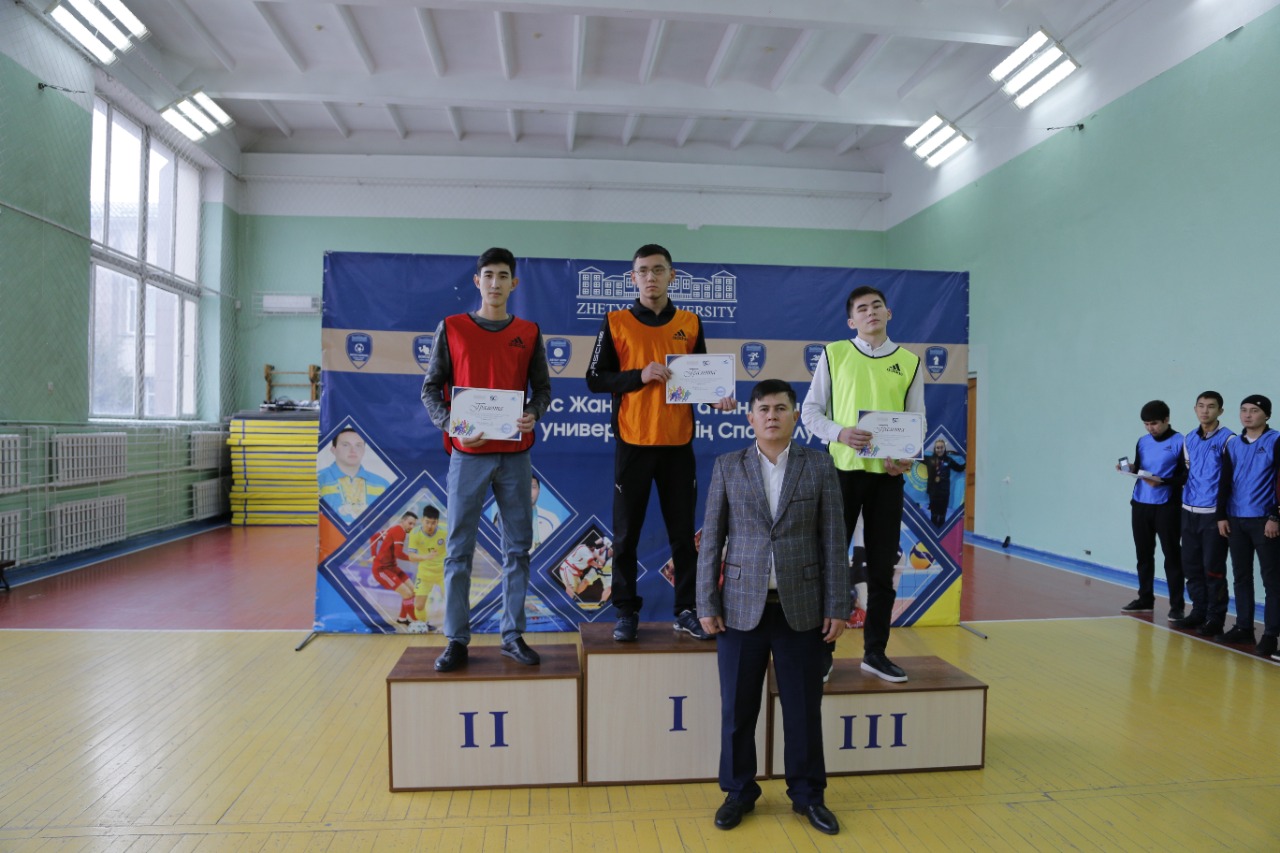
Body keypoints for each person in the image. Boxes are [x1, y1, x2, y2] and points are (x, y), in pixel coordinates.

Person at [697, 379, 847, 836]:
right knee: (738, 710)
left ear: (796, 415)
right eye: (763, 408)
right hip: (739, 610)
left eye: (781, 408)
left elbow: (833, 540)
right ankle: (738, 792)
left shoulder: (819, 466)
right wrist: (706, 601)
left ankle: (808, 795)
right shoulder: (728, 466)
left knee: (803, 711)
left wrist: (837, 604)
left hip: (801, 608)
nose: (772, 416)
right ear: (750, 417)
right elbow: (711, 540)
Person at [585, 243, 734, 643]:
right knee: (625, 536)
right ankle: (625, 611)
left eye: (658, 269)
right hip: (632, 442)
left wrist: (717, 398)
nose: (650, 277)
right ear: (633, 277)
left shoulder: (690, 322)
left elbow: (699, 379)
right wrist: (639, 375)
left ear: (672, 275)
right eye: (643, 271)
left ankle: (686, 609)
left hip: (677, 444)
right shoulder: (615, 321)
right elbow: (595, 378)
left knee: (683, 536)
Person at [421, 247, 552, 671]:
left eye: (503, 276)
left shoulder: (528, 332)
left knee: (518, 548)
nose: (495, 283)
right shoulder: (452, 328)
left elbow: (542, 390)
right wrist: (452, 425)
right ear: (477, 281)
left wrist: (533, 413)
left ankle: (512, 635)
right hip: (468, 454)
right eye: (488, 275)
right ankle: (456, 639)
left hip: (515, 455)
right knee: (458, 548)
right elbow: (430, 389)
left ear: (515, 283)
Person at [801, 285, 923, 683]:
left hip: (887, 478)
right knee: (831, 563)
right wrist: (840, 433)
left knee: (883, 567)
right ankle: (822, 652)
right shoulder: (835, 354)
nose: (870, 312)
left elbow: (915, 420)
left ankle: (875, 652)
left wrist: (904, 456)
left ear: (889, 313)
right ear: (851, 320)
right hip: (841, 473)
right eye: (861, 309)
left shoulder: (909, 362)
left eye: (877, 306)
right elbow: (810, 412)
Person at [1215, 395, 1280, 657]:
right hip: (1235, 520)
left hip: (1265, 521)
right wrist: (1221, 515)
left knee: (1272, 580)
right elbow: (1224, 482)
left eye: (1254, 410)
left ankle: (1271, 635)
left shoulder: (1275, 440)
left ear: (1267, 415)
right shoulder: (1233, 444)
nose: (1248, 415)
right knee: (1241, 576)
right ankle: (1244, 627)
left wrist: (1276, 516)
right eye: (1244, 410)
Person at [1172, 392, 1234, 636]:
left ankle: (1215, 618)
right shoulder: (1188, 438)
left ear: (1220, 411)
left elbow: (1231, 479)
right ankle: (1198, 611)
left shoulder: (1229, 439)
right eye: (1201, 406)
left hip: (1213, 514)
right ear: (1195, 409)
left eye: (1211, 406)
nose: (1205, 411)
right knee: (1191, 566)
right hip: (1188, 511)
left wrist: (1223, 514)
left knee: (1213, 568)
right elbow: (1188, 473)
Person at [1118, 400, 1186, 618]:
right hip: (1140, 504)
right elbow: (1141, 468)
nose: (1150, 428)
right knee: (1143, 555)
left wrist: (1163, 481)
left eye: (1154, 423)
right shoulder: (1143, 441)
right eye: (1146, 424)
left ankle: (1177, 606)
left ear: (1167, 420)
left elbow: (1186, 477)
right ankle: (1145, 598)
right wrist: (1130, 468)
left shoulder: (1181, 441)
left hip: (1167, 507)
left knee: (1172, 556)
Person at [318, 428, 390, 524]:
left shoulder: (382, 485)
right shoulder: (317, 480)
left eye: (358, 445)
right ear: (333, 450)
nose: (353, 450)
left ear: (364, 450)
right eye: (345, 445)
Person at [370, 511, 418, 627]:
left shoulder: (393, 529)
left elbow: (374, 537)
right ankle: (418, 622)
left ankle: (402, 618)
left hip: (392, 567)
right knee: (407, 594)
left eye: (414, 524)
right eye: (410, 523)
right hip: (382, 570)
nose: (412, 527)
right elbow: (398, 554)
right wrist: (412, 558)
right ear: (403, 521)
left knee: (413, 591)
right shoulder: (399, 531)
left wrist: (373, 555)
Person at [405, 505, 447, 632]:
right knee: (418, 605)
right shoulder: (415, 533)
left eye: (433, 523)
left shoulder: (445, 532)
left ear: (437, 522)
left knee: (452, 602)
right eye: (427, 522)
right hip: (425, 573)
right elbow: (411, 557)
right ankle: (423, 625)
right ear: (422, 520)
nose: (430, 526)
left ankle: (452, 626)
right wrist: (426, 557)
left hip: (443, 572)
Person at [923, 438, 965, 529]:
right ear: (935, 449)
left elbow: (959, 468)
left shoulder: (949, 460)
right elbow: (917, 457)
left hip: (944, 491)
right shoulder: (929, 459)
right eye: (937, 447)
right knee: (934, 514)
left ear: (944, 448)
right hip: (933, 491)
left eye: (941, 447)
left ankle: (941, 533)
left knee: (942, 514)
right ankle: (933, 531)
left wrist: (969, 461)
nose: (939, 449)